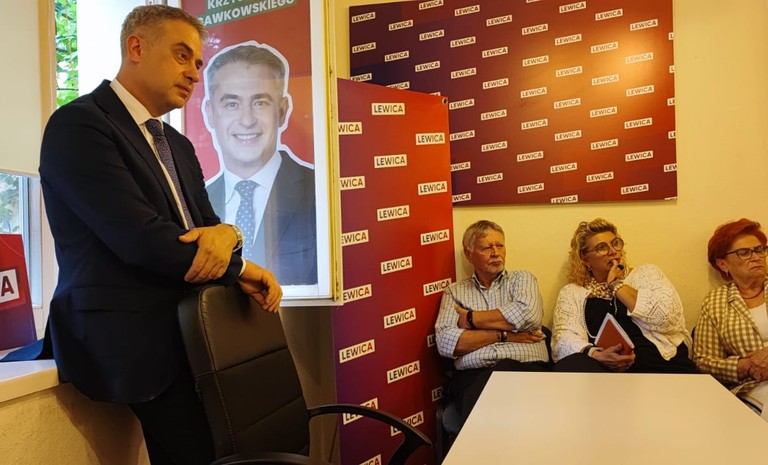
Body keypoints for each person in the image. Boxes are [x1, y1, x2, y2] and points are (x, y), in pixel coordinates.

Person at [38, 6, 282, 465]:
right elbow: (142, 241)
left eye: (198, 63)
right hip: (130, 341)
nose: (194, 73)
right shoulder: (80, 125)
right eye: (182, 55)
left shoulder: (178, 145)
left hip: (198, 334)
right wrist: (242, 269)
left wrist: (229, 234)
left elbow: (210, 229)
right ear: (136, 47)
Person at [202, 42, 317, 286]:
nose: (246, 121)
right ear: (210, 113)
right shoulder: (196, 202)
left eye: (260, 102)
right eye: (231, 104)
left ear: (282, 111)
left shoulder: (319, 192)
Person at [435, 220, 550, 430]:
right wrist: (507, 335)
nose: (496, 253)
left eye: (500, 246)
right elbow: (446, 343)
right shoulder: (455, 292)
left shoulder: (522, 279)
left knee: (501, 377)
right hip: (472, 375)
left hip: (525, 369)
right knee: (487, 390)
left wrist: (470, 319)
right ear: (469, 254)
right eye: (487, 248)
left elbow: (529, 315)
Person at [552, 218, 696, 373]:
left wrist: (616, 285)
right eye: (602, 247)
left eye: (615, 243)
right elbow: (563, 339)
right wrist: (596, 354)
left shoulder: (646, 273)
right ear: (584, 258)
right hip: (604, 370)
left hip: (657, 364)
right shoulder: (572, 292)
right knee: (568, 366)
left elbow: (668, 319)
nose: (613, 251)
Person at [693, 218, 768, 418]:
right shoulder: (715, 302)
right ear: (723, 264)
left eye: (759, 249)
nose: (756, 257)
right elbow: (704, 362)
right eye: (744, 252)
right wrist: (747, 366)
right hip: (751, 390)